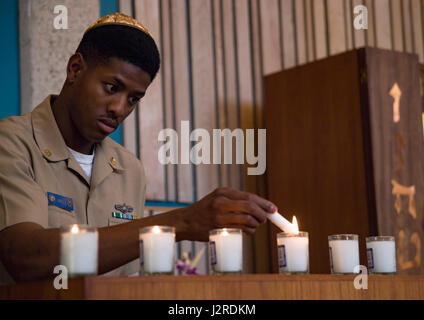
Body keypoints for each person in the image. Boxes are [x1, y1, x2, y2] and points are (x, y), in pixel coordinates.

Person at [0, 13, 277, 284]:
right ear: (75, 69)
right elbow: (25, 256)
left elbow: (128, 279)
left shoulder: (129, 169)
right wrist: (184, 221)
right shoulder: (12, 142)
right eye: (111, 87)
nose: (119, 109)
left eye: (133, 99)